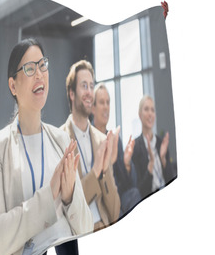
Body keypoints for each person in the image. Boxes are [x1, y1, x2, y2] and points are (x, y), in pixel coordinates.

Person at [0, 39, 93, 255]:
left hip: (59, 254)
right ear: (13, 85)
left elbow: (85, 225)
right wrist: (49, 195)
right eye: (29, 68)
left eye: (43, 65)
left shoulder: (62, 139)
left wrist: (68, 195)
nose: (40, 73)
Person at [61, 60, 120, 232]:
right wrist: (95, 172)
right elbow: (68, 209)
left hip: (105, 226)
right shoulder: (59, 140)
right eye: (84, 86)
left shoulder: (102, 140)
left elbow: (115, 211)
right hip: (79, 233)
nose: (89, 92)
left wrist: (105, 172)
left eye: (91, 86)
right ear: (72, 93)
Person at [92, 84, 141, 218]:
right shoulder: (88, 138)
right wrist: (110, 161)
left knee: (135, 193)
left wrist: (126, 163)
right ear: (93, 108)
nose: (106, 106)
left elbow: (128, 185)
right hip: (99, 202)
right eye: (102, 102)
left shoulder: (115, 139)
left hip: (118, 200)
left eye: (108, 102)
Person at [132, 95, 174, 199]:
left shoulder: (161, 143)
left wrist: (163, 159)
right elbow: (140, 190)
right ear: (140, 115)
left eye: (152, 110)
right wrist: (151, 164)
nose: (150, 114)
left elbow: (171, 179)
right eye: (146, 109)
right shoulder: (135, 147)